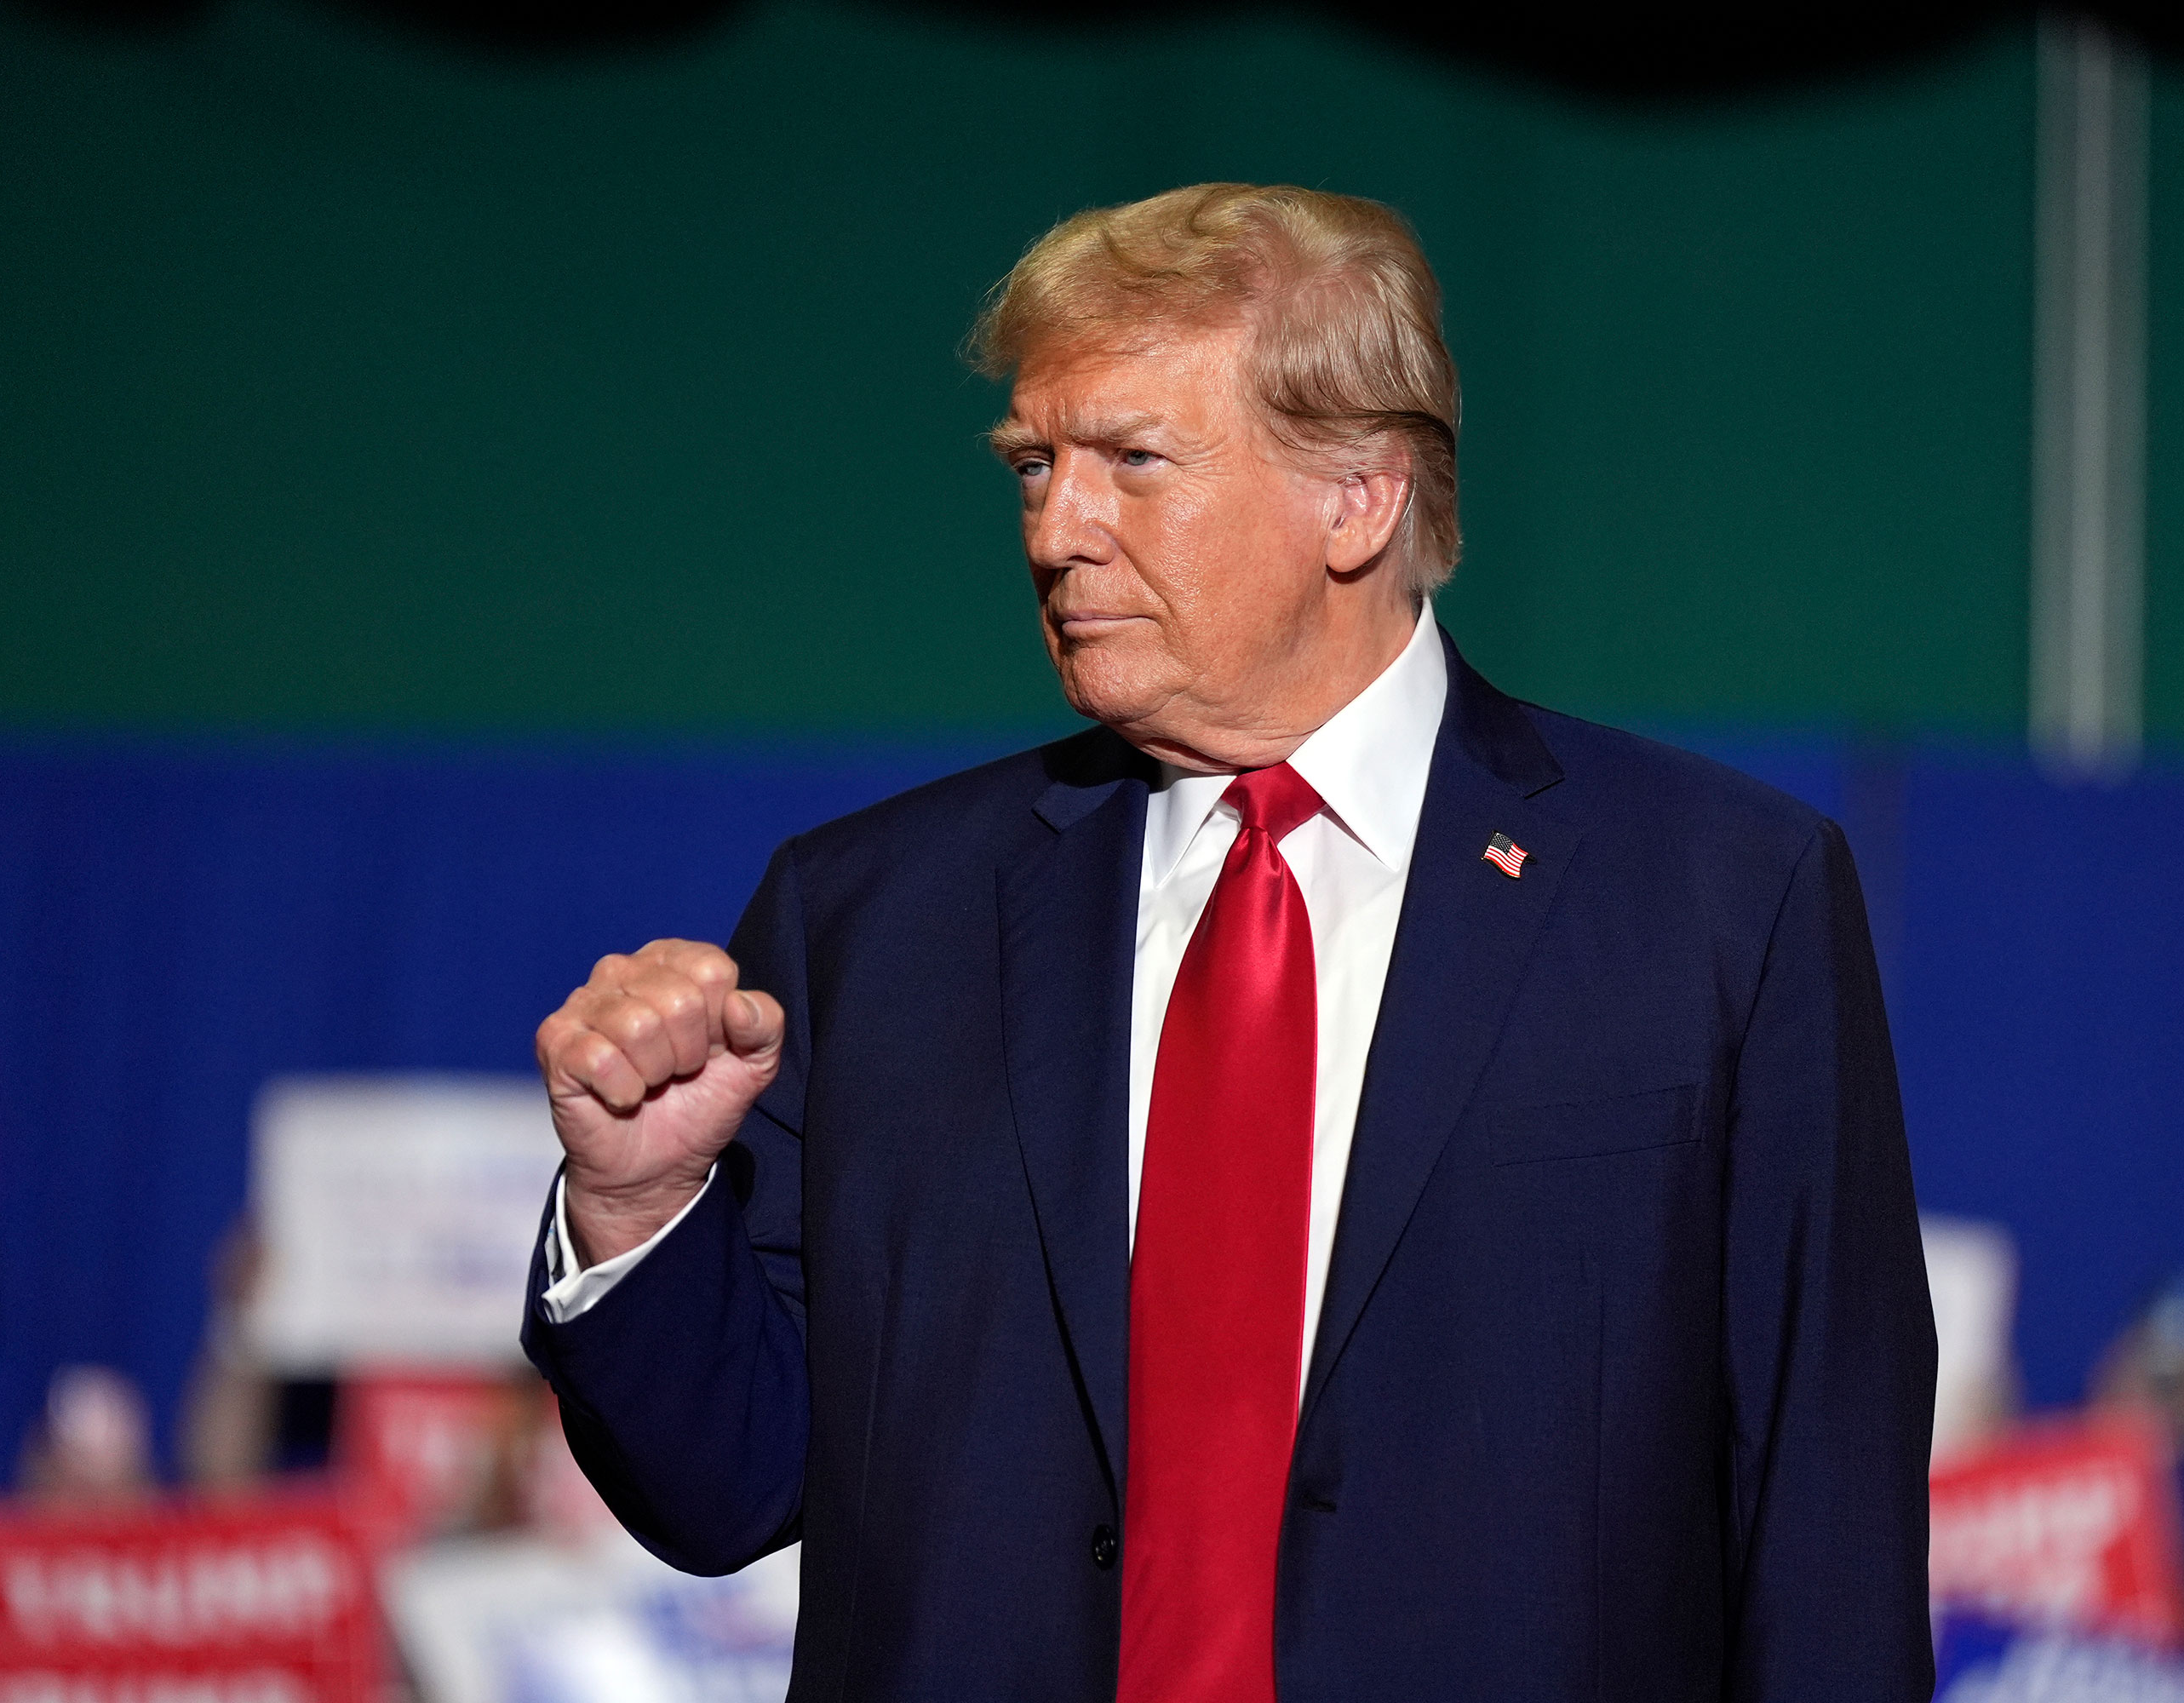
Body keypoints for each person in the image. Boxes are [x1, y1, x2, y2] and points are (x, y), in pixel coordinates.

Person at [522, 183, 1937, 1701]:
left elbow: (1827, 1532)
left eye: (1133, 460)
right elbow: (724, 1486)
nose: (1058, 530)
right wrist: (642, 1210)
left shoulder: (1721, 902)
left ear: (1360, 496)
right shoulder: (868, 920)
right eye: (1033, 465)